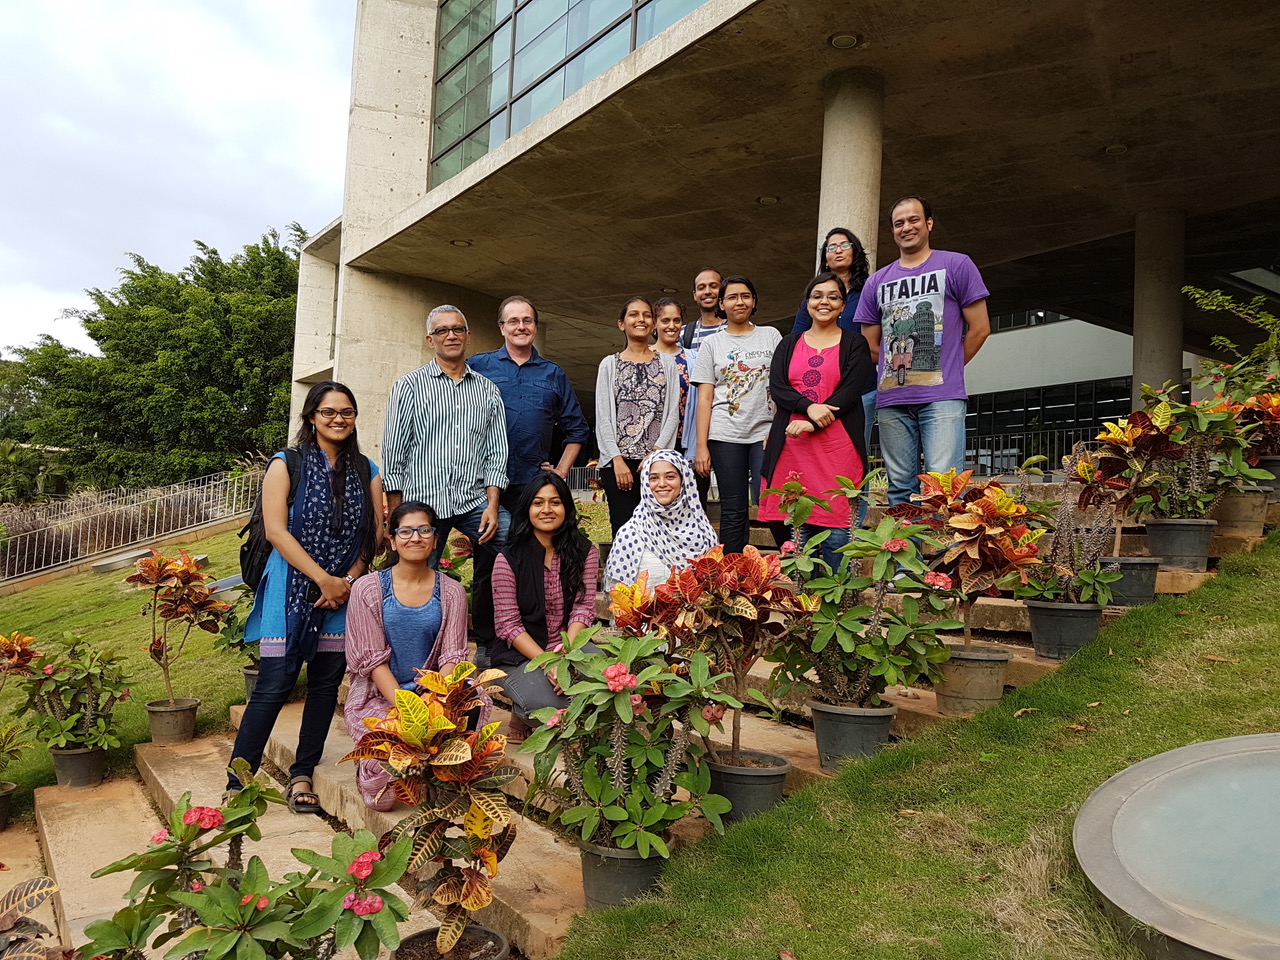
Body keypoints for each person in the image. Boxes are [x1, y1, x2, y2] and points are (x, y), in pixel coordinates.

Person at [227, 380, 382, 812]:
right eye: (329, 411)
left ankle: (301, 776)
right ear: (311, 417)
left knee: (324, 685)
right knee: (273, 686)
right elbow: (276, 531)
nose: (338, 419)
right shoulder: (286, 464)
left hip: (342, 596)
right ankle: (239, 782)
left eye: (346, 412)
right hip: (290, 591)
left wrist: (346, 580)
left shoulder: (367, 470)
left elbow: (374, 535)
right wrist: (322, 578)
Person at [382, 304, 510, 666]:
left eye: (457, 329)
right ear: (429, 340)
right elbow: (394, 452)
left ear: (468, 335)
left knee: (506, 542)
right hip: (422, 503)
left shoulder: (487, 390)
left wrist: (492, 505)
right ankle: (408, 652)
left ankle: (488, 641)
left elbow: (496, 452)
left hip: (472, 501)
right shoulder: (408, 387)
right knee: (412, 572)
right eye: (442, 331)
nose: (451, 335)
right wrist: (395, 516)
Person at [854, 197, 991, 505]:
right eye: (899, 223)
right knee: (900, 489)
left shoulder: (957, 264)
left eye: (914, 220)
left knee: (945, 488)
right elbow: (869, 345)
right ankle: (907, 555)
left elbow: (980, 328)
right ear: (892, 231)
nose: (907, 227)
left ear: (929, 223)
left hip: (942, 398)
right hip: (892, 399)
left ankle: (951, 554)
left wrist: (947, 366)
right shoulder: (877, 281)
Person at [343, 500, 472, 810]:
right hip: (381, 697)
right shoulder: (368, 589)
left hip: (435, 697)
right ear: (392, 540)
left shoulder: (452, 591)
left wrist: (433, 707)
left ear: (435, 539)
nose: (415, 538)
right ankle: (370, 765)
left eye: (424, 530)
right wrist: (408, 710)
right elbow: (373, 661)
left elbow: (452, 656)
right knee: (382, 800)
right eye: (406, 531)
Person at [759, 273, 874, 569]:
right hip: (791, 451)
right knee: (793, 533)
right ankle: (804, 609)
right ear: (807, 303)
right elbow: (779, 387)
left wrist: (815, 420)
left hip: (838, 449)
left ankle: (837, 607)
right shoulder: (789, 343)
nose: (824, 301)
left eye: (833, 296)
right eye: (817, 295)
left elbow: (851, 389)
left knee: (837, 535)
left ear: (843, 305)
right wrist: (808, 407)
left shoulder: (855, 343)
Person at [490, 471, 599, 740]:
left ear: (566, 507)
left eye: (555, 502)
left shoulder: (585, 552)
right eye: (538, 503)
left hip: (571, 647)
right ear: (527, 509)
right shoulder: (508, 559)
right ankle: (521, 709)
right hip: (521, 656)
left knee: (605, 687)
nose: (547, 510)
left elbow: (583, 609)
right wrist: (547, 663)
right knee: (547, 706)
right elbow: (508, 626)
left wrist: (565, 659)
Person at [469, 296, 591, 512]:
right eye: (513, 321)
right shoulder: (478, 366)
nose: (521, 327)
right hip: (484, 481)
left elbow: (578, 429)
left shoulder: (553, 374)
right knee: (488, 544)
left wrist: (561, 470)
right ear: (502, 328)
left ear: (535, 326)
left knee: (532, 544)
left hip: (533, 483)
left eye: (528, 321)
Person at [692, 275, 781, 554]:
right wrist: (701, 446)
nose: (739, 302)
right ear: (721, 304)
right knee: (732, 506)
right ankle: (734, 573)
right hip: (724, 433)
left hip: (765, 431)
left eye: (745, 296)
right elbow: (704, 397)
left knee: (771, 500)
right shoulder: (712, 344)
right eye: (731, 297)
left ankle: (794, 562)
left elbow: (782, 387)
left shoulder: (771, 335)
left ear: (754, 301)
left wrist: (777, 429)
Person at [791, 228, 877, 513]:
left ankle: (854, 522)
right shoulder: (812, 298)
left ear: (856, 252)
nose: (838, 250)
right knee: (817, 454)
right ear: (824, 258)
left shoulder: (870, 291)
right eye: (831, 247)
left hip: (859, 391)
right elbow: (795, 344)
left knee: (853, 455)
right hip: (817, 392)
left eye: (845, 244)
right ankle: (819, 513)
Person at [595, 296, 681, 536]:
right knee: (624, 530)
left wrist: (656, 455)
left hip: (657, 463)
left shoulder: (666, 363)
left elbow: (672, 413)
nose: (640, 319)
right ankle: (624, 575)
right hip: (618, 464)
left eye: (646, 315)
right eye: (633, 314)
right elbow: (602, 417)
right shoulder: (609, 364)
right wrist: (616, 460)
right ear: (621, 324)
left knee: (661, 530)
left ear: (653, 324)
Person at [604, 450, 718, 591]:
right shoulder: (630, 533)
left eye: (670, 477)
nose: (662, 484)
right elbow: (617, 596)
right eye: (653, 478)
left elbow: (715, 591)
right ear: (645, 483)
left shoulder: (704, 532)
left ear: (684, 481)